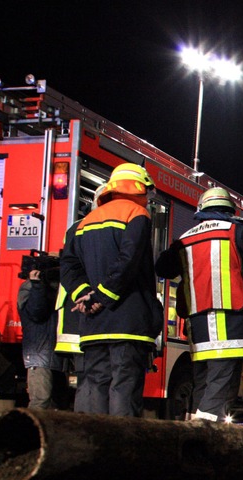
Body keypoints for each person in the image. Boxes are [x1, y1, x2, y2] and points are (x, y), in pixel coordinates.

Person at [156, 187, 243, 421]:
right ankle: (203, 442)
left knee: (203, 384)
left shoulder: (185, 239)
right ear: (229, 209)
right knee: (220, 387)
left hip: (198, 328)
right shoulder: (235, 231)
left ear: (201, 209)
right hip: (230, 325)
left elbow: (163, 268)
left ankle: (192, 435)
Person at [59, 163, 163, 416]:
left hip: (93, 324)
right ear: (139, 188)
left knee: (94, 384)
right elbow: (129, 260)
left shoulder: (84, 223)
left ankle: (89, 443)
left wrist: (85, 296)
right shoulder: (136, 214)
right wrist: (102, 296)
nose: (148, 199)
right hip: (128, 322)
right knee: (124, 388)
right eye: (147, 193)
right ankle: (121, 448)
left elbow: (68, 266)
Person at [16, 254, 63, 409]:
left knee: (56, 402)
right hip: (40, 355)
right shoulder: (29, 288)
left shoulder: (52, 290)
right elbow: (37, 312)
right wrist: (37, 284)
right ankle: (31, 432)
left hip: (52, 354)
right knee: (41, 399)